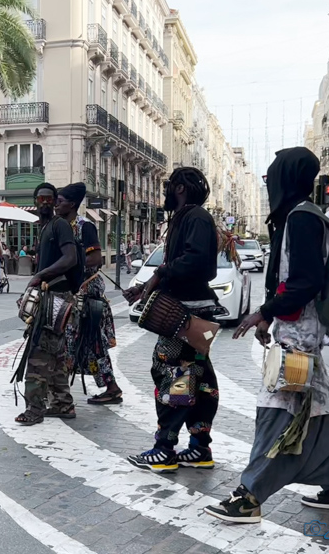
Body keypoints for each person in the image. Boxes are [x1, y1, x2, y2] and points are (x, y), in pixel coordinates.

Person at [207, 147, 329, 524]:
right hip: (298, 331)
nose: (267, 179)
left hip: (299, 338)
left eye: (273, 172)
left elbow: (306, 281)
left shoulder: (302, 219)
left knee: (277, 411)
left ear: (287, 177)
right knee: (315, 408)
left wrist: (264, 312)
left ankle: (249, 497)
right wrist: (268, 318)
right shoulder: (299, 216)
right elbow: (285, 277)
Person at [123, 167, 220, 472]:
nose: (164, 191)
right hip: (191, 310)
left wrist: (162, 274)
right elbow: (173, 264)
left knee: (173, 374)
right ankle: (199, 448)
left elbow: (197, 263)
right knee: (200, 379)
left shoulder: (195, 218)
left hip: (186, 314)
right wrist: (144, 288)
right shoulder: (188, 218)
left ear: (179, 188)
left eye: (167, 186)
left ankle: (165, 448)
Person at [12, 183, 82, 426]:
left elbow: (70, 258)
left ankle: (34, 409)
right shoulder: (46, 227)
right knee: (56, 354)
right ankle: (63, 403)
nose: (44, 202)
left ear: (54, 202)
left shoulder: (59, 225)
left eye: (48, 198)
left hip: (56, 299)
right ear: (35, 200)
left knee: (39, 354)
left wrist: (41, 276)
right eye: (40, 198)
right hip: (51, 296)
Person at [57, 183, 121, 405]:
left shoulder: (85, 226)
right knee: (78, 343)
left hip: (86, 294)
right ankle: (62, 390)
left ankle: (62, 392)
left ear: (72, 204)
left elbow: (96, 259)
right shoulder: (60, 226)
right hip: (70, 292)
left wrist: (71, 266)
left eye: (60, 201)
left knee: (90, 342)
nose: (56, 205)